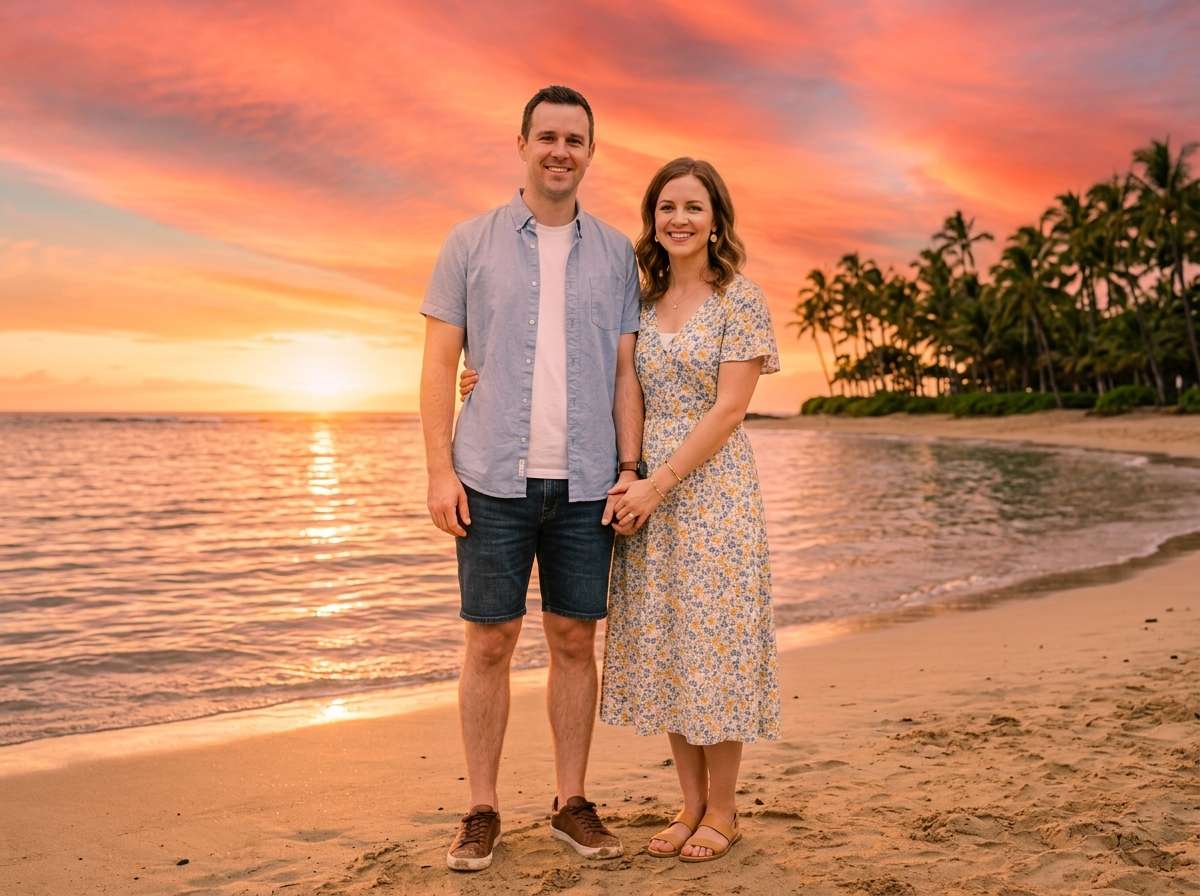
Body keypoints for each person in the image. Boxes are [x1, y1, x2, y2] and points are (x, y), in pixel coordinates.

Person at [461, 157, 782, 864]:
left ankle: (723, 811)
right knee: (672, 647)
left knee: (715, 649)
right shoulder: (641, 298)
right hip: (640, 489)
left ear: (717, 218)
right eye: (667, 207)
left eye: (694, 207)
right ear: (653, 218)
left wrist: (658, 480)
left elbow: (730, 410)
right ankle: (689, 804)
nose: (679, 220)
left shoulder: (741, 299)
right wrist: (487, 373)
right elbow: (602, 373)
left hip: (711, 491)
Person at [419, 85, 643, 873]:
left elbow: (625, 373)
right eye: (546, 136)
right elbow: (440, 363)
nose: (560, 150)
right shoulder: (469, 243)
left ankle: (570, 802)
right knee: (490, 641)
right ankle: (481, 808)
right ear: (521, 144)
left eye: (574, 139)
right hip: (488, 477)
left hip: (585, 482)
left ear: (590, 151)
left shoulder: (617, 253)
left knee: (576, 639)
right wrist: (440, 471)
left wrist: (627, 469)